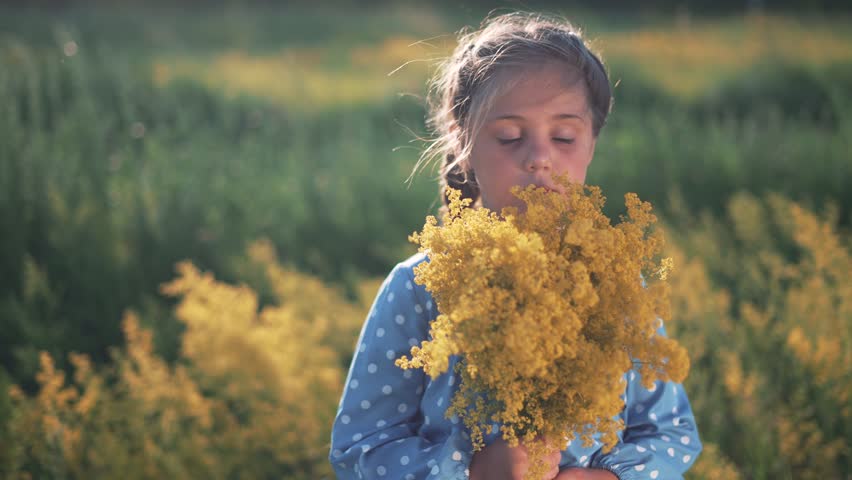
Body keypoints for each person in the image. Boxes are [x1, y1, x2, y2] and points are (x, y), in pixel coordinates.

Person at [329, 11, 702, 480]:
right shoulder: (420, 287)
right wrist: (468, 470)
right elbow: (360, 448)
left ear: (591, 144)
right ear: (464, 144)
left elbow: (672, 435)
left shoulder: (619, 285)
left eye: (564, 136)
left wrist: (605, 477)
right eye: (509, 137)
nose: (540, 158)